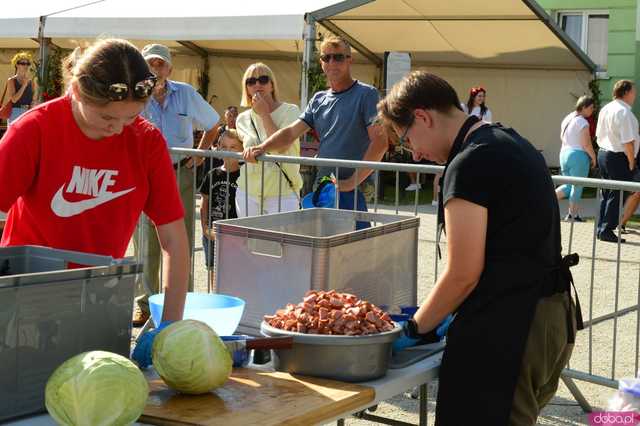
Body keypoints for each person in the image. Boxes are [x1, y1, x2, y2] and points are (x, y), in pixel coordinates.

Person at [378, 71, 580, 425]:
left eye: (408, 139)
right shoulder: (510, 140)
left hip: (510, 327)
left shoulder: (469, 163)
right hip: (551, 314)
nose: (417, 154)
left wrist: (414, 328)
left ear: (423, 116)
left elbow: (462, 274)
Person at [0, 39, 189, 368]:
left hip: (102, 301)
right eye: (106, 118)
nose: (118, 129)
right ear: (75, 89)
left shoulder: (146, 141)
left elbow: (174, 238)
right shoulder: (33, 130)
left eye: (131, 117)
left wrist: (170, 325)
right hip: (28, 301)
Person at [243, 36, 388, 221]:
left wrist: (351, 182)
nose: (332, 62)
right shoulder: (319, 99)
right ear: (321, 63)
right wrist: (262, 148)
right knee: (323, 248)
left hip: (353, 190)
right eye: (326, 58)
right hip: (324, 187)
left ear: (349, 59)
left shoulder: (367, 94)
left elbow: (381, 142)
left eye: (338, 57)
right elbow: (290, 133)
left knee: (350, 248)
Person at [132, 43, 220, 326]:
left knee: (180, 238)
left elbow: (213, 124)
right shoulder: (134, 93)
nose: (155, 68)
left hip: (179, 173)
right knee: (146, 239)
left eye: (160, 64)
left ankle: (183, 301)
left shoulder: (186, 93)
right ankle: (145, 303)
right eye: (150, 64)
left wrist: (200, 153)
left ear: (170, 68)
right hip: (143, 175)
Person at [235, 63, 302, 216]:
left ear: (272, 85)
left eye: (263, 79)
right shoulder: (242, 119)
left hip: (283, 193)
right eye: (251, 82)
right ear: (246, 89)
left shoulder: (291, 111)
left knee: (280, 241)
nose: (257, 84)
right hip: (248, 192)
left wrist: (264, 113)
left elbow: (281, 148)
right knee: (250, 240)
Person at [595, 80, 639, 243]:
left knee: (607, 192)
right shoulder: (624, 112)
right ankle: (607, 230)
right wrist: (631, 161)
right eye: (633, 91)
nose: (635, 95)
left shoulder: (606, 108)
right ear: (626, 92)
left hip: (604, 153)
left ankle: (601, 228)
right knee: (617, 193)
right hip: (618, 156)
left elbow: (598, 135)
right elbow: (628, 141)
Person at [199, 129, 243, 288]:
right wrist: (205, 228)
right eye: (223, 146)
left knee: (234, 270)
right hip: (213, 232)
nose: (228, 151)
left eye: (233, 147)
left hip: (235, 234)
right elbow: (204, 203)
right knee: (213, 269)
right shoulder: (212, 174)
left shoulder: (244, 175)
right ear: (217, 147)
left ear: (242, 150)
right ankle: (216, 296)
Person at [555, 96, 597, 222]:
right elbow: (586, 143)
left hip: (564, 154)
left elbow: (562, 138)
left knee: (568, 186)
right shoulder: (582, 121)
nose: (592, 110)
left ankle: (545, 200)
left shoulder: (567, 118)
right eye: (591, 107)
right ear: (583, 107)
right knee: (577, 186)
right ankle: (572, 215)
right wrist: (593, 157)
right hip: (577, 155)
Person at [2, 52, 38, 125]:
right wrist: (24, 85)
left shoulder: (31, 82)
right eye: (23, 63)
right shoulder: (11, 80)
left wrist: (34, 102)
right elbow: (14, 100)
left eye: (28, 64)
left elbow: (33, 99)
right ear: (17, 65)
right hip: (16, 112)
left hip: (28, 112)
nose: (26, 66)